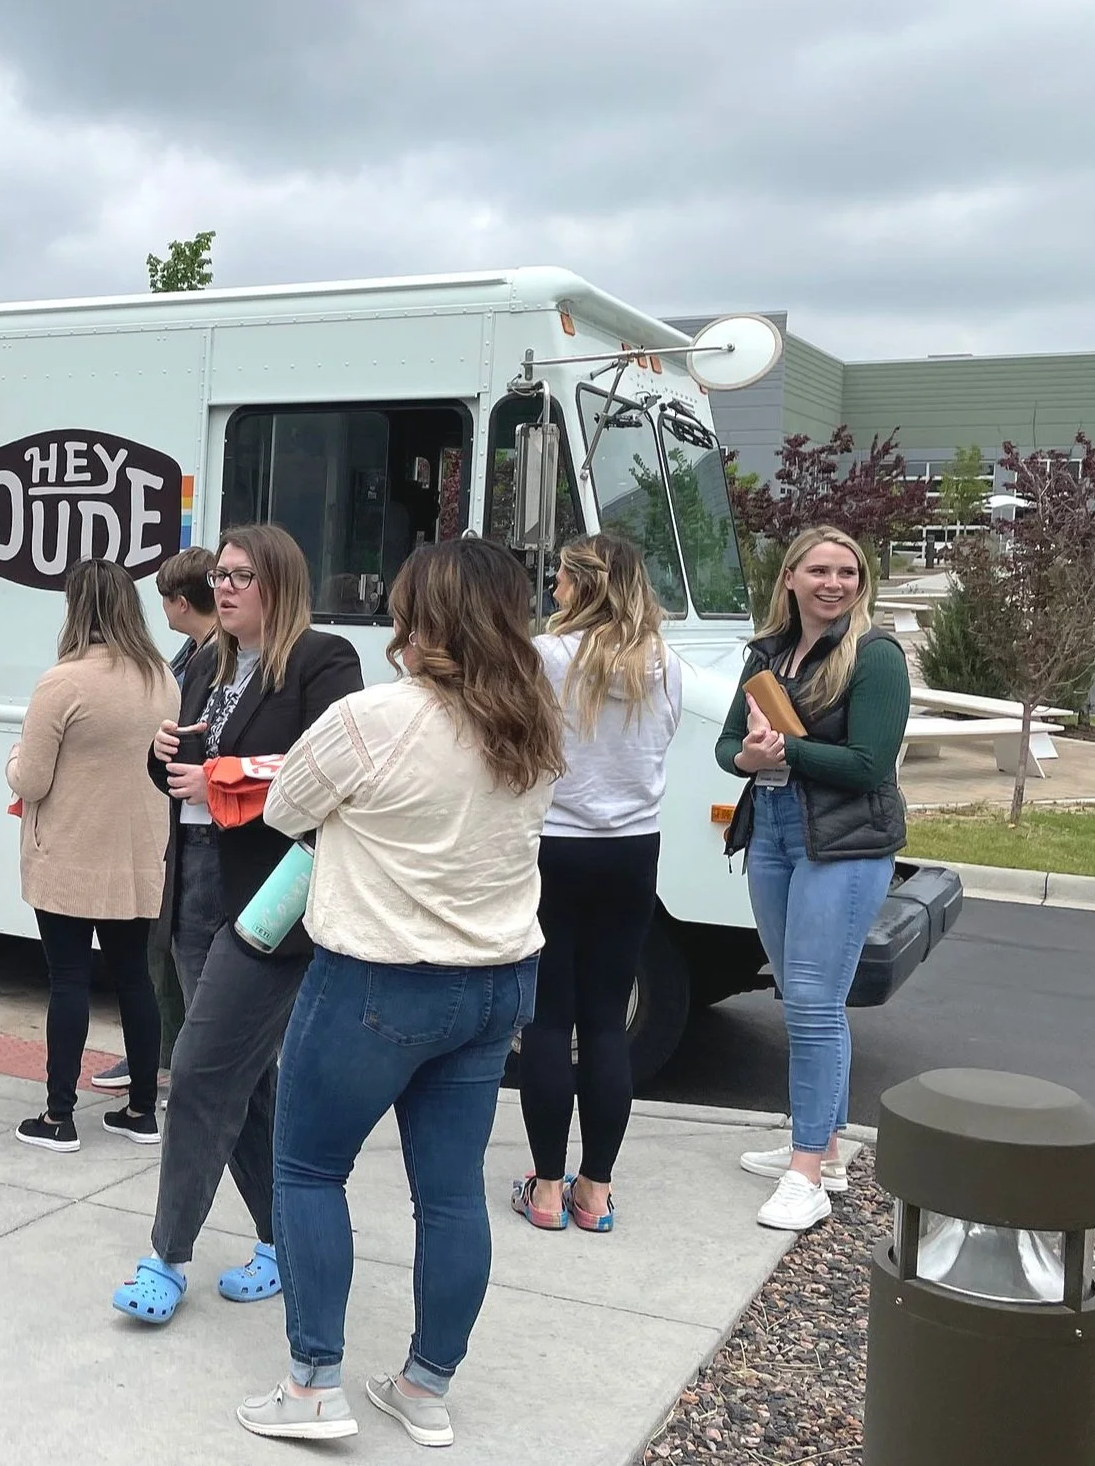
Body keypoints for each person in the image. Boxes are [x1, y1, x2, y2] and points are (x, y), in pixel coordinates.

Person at [236, 539, 562, 1446]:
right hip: (498, 977)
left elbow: (283, 809)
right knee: (451, 1193)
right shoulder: (534, 722)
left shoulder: (372, 717)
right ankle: (425, 1385)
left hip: (378, 975)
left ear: (417, 617)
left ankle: (312, 1385)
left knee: (308, 1169)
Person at [110, 523, 362, 1325]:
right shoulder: (204, 661)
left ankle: (166, 1255)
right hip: (193, 880)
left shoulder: (322, 660)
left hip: (271, 896)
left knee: (197, 1070)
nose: (221, 587)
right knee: (241, 1075)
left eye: (239, 576)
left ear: (277, 583)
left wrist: (218, 773)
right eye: (219, 574)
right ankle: (284, 1239)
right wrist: (163, 753)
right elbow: (178, 775)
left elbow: (329, 765)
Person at [717, 525, 909, 1232]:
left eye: (847, 572)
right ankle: (822, 1147)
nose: (835, 584)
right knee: (805, 998)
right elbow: (725, 747)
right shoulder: (767, 653)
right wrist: (749, 756)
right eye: (820, 571)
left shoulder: (875, 654)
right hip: (769, 833)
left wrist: (786, 752)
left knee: (812, 1000)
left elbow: (868, 764)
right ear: (790, 578)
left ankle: (806, 1176)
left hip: (842, 845)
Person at [513, 535, 681, 1233]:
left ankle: (546, 1189)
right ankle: (596, 1189)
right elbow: (663, 740)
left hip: (555, 845)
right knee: (606, 1020)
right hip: (632, 848)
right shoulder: (663, 663)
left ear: (582, 586)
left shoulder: (545, 656)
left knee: (548, 1019)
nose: (552, 588)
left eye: (559, 577)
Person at [7, 557, 178, 1152]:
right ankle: (141, 1110)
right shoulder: (162, 678)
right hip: (139, 854)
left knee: (68, 981)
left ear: (76, 609)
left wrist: (11, 761)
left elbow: (31, 780)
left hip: (68, 856)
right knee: (135, 980)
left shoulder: (64, 681)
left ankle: (59, 1117)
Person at [91, 545, 217, 1093]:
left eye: (165, 599)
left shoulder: (211, 657)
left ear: (181, 603)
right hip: (176, 814)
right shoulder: (193, 652)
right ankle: (163, 1054)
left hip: (196, 822)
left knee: (177, 952)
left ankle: (172, 1062)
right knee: (162, 946)